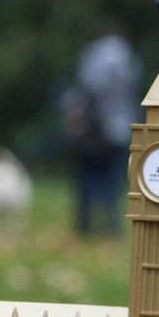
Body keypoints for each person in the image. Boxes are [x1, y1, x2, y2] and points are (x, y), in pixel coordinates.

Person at [62, 27, 141, 235]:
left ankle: (85, 224)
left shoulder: (95, 56)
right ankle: (111, 225)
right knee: (113, 181)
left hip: (95, 131)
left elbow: (86, 90)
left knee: (88, 179)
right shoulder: (128, 59)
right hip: (120, 129)